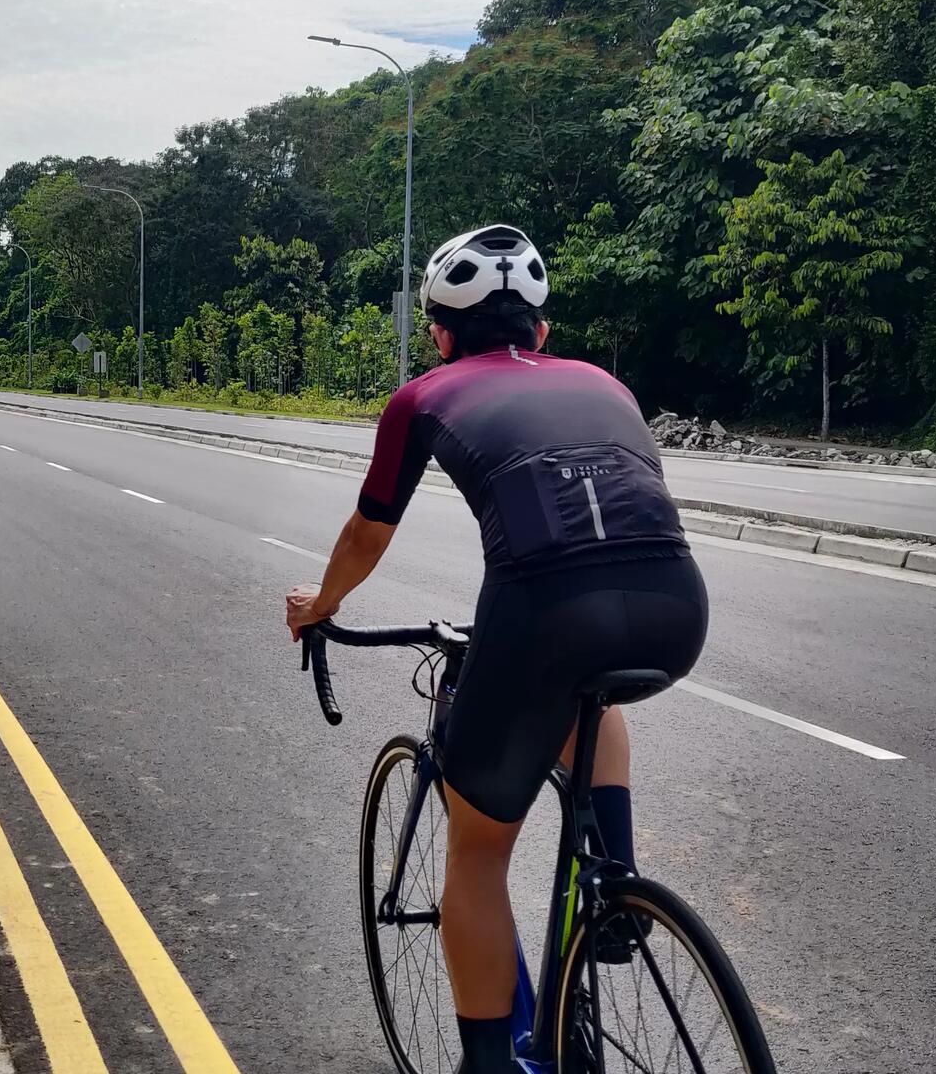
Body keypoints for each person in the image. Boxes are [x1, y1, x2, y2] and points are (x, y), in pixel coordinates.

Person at [284, 225, 708, 1073]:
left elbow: (369, 534)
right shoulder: (606, 384)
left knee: (477, 853)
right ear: (542, 331)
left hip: (542, 614)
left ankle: (488, 1065)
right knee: (594, 697)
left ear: (438, 334)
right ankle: (614, 892)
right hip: (676, 606)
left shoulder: (421, 398)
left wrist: (318, 606)